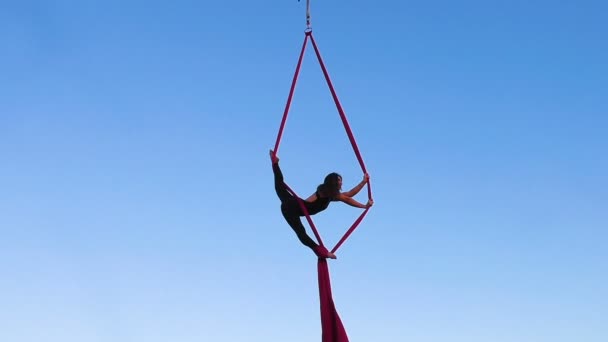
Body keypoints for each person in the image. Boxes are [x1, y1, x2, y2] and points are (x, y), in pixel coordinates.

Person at [270, 149, 373, 259]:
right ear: (333, 182)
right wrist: (364, 204)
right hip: (293, 207)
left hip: (294, 205)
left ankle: (275, 163)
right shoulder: (324, 191)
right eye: (339, 180)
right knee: (301, 232)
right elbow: (347, 198)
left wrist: (363, 184)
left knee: (279, 187)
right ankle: (322, 252)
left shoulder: (331, 195)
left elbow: (349, 195)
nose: (341, 182)